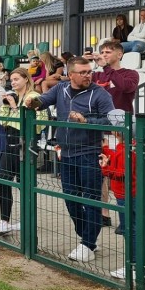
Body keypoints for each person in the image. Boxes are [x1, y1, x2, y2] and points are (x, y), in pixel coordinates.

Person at [26, 57, 114, 262]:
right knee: (71, 199)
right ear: (71, 74)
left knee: (91, 200)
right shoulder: (61, 89)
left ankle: (88, 243)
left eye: (89, 71)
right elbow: (43, 100)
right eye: (82, 72)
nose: (87, 75)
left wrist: (87, 120)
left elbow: (112, 118)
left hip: (89, 153)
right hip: (66, 153)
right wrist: (33, 101)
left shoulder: (100, 94)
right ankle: (87, 237)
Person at [101, 110, 145, 279]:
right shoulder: (128, 147)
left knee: (130, 230)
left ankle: (135, 265)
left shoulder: (127, 151)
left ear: (117, 132)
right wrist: (107, 151)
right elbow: (118, 159)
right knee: (134, 228)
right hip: (127, 194)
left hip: (126, 195)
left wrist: (105, 168)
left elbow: (121, 173)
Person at [87, 41, 139, 228]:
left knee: (119, 173)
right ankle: (104, 213)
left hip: (119, 132)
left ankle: (126, 217)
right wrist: (83, 65)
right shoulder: (97, 74)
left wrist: (108, 68)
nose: (104, 55)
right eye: (102, 52)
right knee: (101, 171)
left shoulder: (130, 73)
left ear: (120, 54)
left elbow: (125, 87)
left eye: (108, 52)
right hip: (99, 128)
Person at [0, 68, 48, 236]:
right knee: (3, 181)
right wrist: (7, 106)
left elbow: (37, 124)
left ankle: (27, 220)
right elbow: (0, 120)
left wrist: (13, 108)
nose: (14, 82)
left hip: (26, 144)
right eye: (12, 79)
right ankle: (4, 221)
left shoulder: (33, 97)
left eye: (17, 78)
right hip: (10, 143)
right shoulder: (14, 97)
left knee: (24, 185)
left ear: (26, 79)